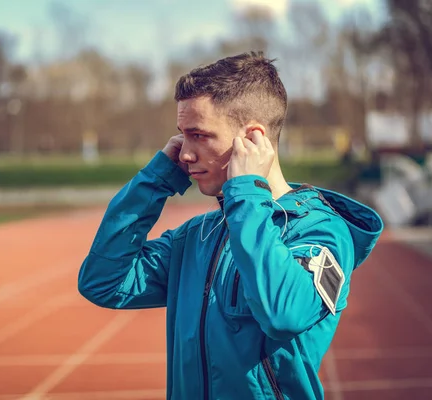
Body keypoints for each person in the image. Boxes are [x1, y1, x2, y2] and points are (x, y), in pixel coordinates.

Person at [78, 51, 383, 400]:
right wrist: (156, 178)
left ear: (253, 139)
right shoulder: (196, 236)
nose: (185, 154)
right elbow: (103, 282)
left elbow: (283, 314)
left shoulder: (319, 232)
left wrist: (246, 192)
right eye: (182, 136)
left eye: (199, 135)